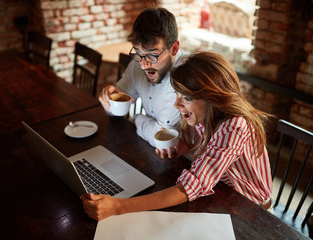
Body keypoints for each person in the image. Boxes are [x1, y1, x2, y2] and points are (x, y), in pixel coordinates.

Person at [81, 51, 273, 221]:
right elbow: (216, 156)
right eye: (178, 95)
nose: (177, 105)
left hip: (252, 209)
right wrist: (188, 148)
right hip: (224, 189)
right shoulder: (206, 116)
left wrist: (118, 207)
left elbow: (190, 186)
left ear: (214, 98)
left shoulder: (234, 127)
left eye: (187, 98)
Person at [99, 7, 184, 147]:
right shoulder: (137, 64)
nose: (144, 65)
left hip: (186, 159)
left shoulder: (183, 79)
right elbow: (116, 109)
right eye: (138, 53)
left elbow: (161, 139)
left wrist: (137, 118)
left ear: (174, 49)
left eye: (152, 55)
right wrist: (108, 100)